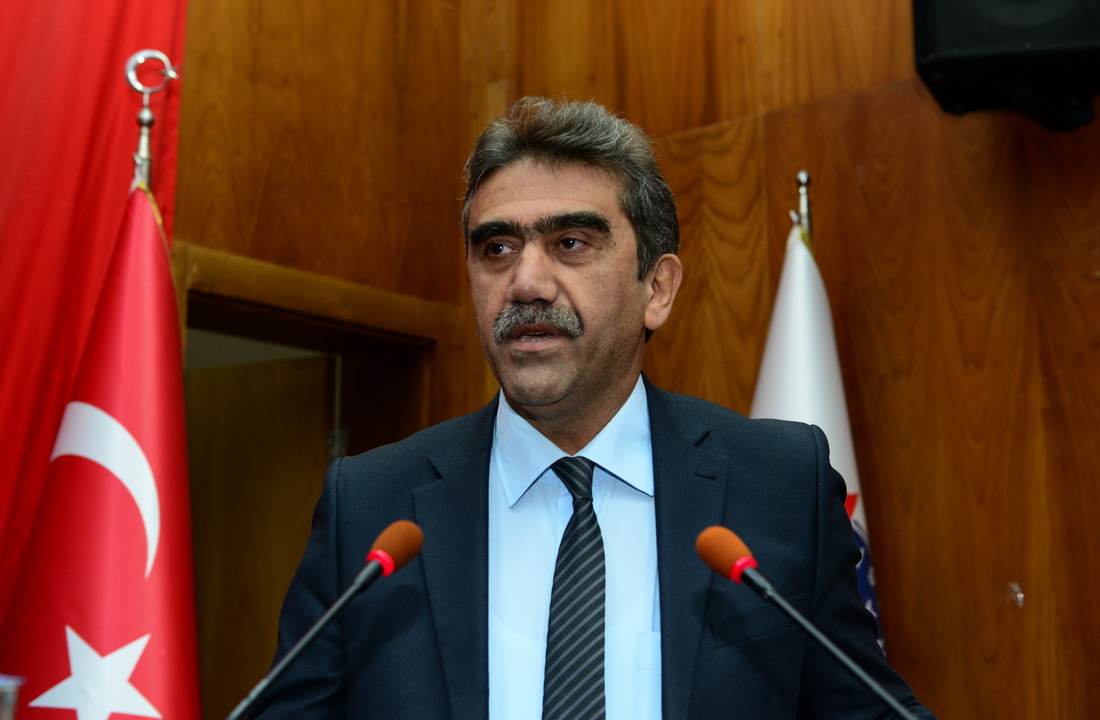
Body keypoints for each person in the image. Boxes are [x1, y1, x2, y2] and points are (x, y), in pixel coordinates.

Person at [252, 97, 934, 719]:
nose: (526, 281)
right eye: (497, 248)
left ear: (657, 289)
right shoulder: (371, 508)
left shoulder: (778, 485)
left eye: (571, 243)